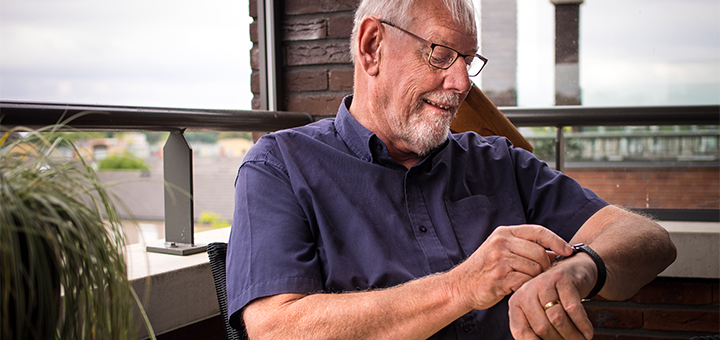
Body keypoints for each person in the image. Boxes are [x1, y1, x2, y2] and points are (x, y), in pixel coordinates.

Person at [226, 0, 677, 338]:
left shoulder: (498, 161)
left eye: (468, 61)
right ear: (371, 46)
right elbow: (275, 329)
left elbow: (650, 241)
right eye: (440, 54)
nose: (462, 84)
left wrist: (581, 269)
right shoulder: (279, 165)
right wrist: (463, 286)